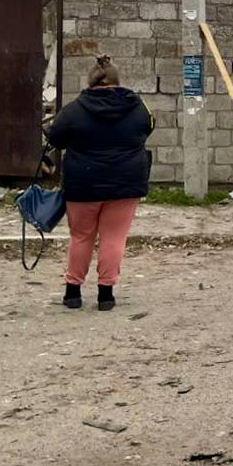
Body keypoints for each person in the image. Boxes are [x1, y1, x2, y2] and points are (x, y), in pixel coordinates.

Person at [47, 55, 154, 311]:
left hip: (83, 183)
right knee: (114, 238)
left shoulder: (74, 109)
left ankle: (73, 292)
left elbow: (55, 138)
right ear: (118, 81)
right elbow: (148, 128)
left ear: (90, 82)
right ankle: (106, 294)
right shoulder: (138, 107)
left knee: (81, 236)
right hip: (126, 183)